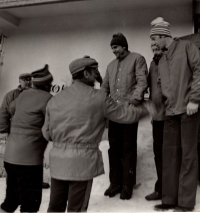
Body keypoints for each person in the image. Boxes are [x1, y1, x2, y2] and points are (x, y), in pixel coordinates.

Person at [42, 56, 152, 212]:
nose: (97, 75)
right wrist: (148, 109)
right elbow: (126, 115)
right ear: (86, 74)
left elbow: (47, 134)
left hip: (58, 162)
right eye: (95, 71)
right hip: (82, 164)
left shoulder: (55, 100)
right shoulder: (100, 98)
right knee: (77, 209)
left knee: (54, 208)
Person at [150, 17, 200, 212]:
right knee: (169, 155)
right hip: (170, 112)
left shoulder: (186, 47)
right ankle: (169, 199)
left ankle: (185, 203)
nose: (152, 44)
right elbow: (162, 85)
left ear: (164, 36)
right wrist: (156, 104)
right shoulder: (161, 59)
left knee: (188, 156)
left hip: (189, 110)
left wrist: (195, 99)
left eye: (154, 39)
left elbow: (199, 70)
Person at [0, 64, 53, 213]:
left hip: (11, 157)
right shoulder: (48, 99)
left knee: (11, 200)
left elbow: (10, 109)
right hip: (29, 161)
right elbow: (51, 127)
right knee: (30, 205)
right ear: (47, 84)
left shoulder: (21, 95)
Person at [101, 33, 148, 200]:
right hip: (113, 115)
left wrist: (133, 101)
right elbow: (104, 87)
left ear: (124, 46)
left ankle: (127, 186)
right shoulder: (110, 66)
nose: (113, 51)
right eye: (112, 48)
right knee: (114, 148)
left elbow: (142, 82)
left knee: (128, 149)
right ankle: (115, 184)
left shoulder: (137, 59)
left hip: (129, 113)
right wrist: (103, 104)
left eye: (115, 47)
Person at [145, 44, 165, 201]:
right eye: (152, 45)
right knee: (158, 153)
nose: (154, 47)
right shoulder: (152, 63)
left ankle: (173, 190)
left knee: (172, 154)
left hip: (172, 116)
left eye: (157, 43)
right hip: (157, 117)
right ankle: (161, 189)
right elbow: (151, 89)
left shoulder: (171, 60)